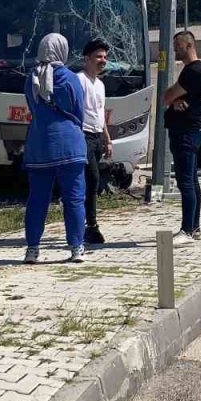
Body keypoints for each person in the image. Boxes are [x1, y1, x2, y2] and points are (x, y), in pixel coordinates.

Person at [23, 33, 88, 264]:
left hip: (39, 146)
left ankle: (32, 249)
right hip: (70, 147)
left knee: (37, 200)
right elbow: (79, 112)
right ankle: (76, 247)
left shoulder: (31, 79)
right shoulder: (70, 79)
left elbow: (32, 106)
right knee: (74, 199)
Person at [162, 31, 201, 246]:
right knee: (192, 180)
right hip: (189, 130)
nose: (175, 51)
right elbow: (172, 99)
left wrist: (172, 98)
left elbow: (167, 95)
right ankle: (195, 226)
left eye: (177, 46)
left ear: (189, 45)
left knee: (186, 182)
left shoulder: (194, 72)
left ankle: (187, 229)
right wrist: (174, 101)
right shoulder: (193, 72)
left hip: (186, 131)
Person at [77, 39, 113, 246]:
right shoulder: (78, 80)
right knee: (92, 179)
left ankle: (84, 221)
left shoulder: (100, 85)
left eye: (105, 57)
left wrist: (107, 139)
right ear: (87, 58)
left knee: (93, 182)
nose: (103, 61)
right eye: (99, 57)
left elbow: (101, 114)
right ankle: (91, 226)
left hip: (98, 136)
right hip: (83, 136)